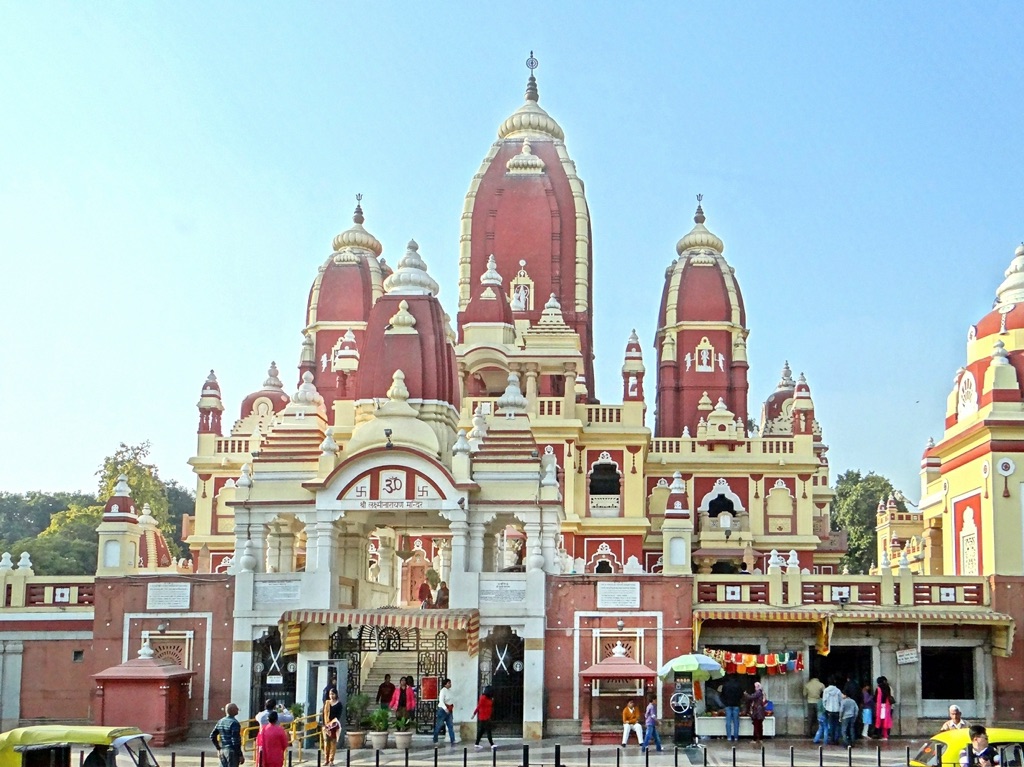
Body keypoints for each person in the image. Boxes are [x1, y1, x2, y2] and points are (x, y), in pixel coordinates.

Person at [211, 703, 245, 767]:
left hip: (223, 750)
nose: (238, 710)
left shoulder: (220, 721)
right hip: (232, 752)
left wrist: (218, 748)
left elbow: (212, 736)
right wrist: (240, 754)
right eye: (236, 709)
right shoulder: (234, 723)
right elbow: (235, 740)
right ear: (232, 710)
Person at [321, 689, 343, 766]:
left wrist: (332, 724)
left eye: (333, 694)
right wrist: (324, 725)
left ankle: (331, 760)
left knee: (333, 743)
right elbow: (323, 715)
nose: (331, 696)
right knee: (326, 743)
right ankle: (326, 759)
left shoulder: (339, 704)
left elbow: (338, 716)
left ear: (336, 694)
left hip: (334, 726)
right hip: (326, 726)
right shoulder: (327, 703)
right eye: (330, 694)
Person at [721, 674, 744, 743]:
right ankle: (736, 737)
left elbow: (722, 695)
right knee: (736, 722)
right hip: (736, 705)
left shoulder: (725, 685)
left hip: (728, 705)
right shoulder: (738, 685)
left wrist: (725, 703)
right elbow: (741, 695)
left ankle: (729, 737)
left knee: (728, 722)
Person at [433, 678, 456, 745]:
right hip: (443, 710)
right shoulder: (443, 691)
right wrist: (445, 708)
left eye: (450, 683)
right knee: (439, 725)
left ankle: (453, 740)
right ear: (445, 684)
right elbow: (441, 701)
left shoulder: (450, 691)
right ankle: (435, 739)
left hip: (449, 709)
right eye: (449, 683)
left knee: (450, 725)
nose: (450, 684)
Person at [473, 685, 496, 749]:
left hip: (487, 715)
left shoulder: (489, 698)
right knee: (488, 730)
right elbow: (479, 706)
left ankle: (476, 743)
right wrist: (474, 713)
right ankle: (492, 744)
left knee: (481, 731)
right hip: (484, 716)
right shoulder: (483, 698)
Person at [822, 677, 843, 745]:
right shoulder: (838, 691)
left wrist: (826, 707)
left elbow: (824, 701)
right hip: (837, 710)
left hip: (829, 710)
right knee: (836, 725)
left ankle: (831, 739)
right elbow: (841, 701)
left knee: (830, 725)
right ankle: (836, 740)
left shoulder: (826, 690)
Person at [874, 676, 895, 741]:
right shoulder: (888, 687)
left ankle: (882, 735)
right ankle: (885, 735)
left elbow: (876, 698)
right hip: (887, 706)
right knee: (886, 720)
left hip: (881, 706)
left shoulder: (878, 689)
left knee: (881, 721)